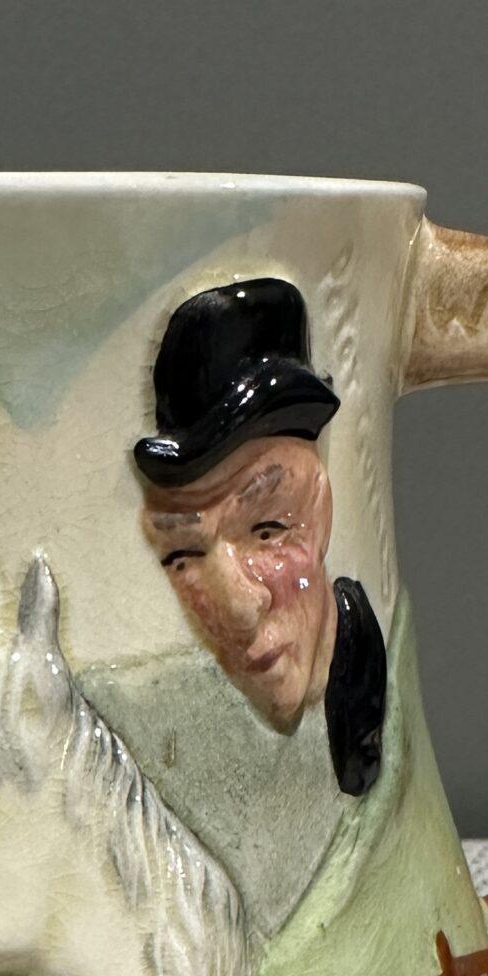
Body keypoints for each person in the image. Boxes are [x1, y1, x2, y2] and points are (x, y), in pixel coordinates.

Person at [133, 277, 386, 795]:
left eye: (268, 531)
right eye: (184, 556)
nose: (239, 607)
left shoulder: (368, 669)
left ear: (322, 513)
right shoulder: (158, 730)